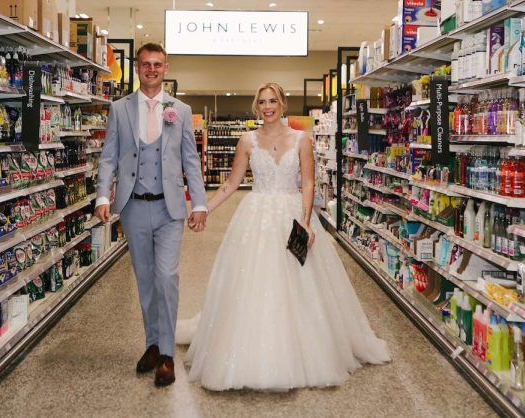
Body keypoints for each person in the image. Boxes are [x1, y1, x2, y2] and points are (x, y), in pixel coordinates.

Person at [178, 83, 390, 391]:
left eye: (272, 100)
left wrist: (305, 222)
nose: (267, 106)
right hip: (255, 218)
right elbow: (231, 184)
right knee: (253, 281)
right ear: (256, 106)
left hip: (292, 216)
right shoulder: (247, 140)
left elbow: (307, 183)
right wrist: (203, 209)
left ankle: (305, 350)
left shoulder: (301, 139)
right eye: (262, 101)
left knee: (301, 285)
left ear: (282, 104)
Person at [95, 43, 207, 387]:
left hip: (170, 206)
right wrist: (102, 195)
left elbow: (191, 159)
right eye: (146, 64)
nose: (152, 69)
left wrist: (199, 203)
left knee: (166, 277)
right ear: (138, 68)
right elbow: (109, 157)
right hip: (132, 206)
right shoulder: (119, 108)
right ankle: (152, 344)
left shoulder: (181, 110)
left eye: (158, 64)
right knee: (144, 279)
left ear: (166, 68)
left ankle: (168, 355)